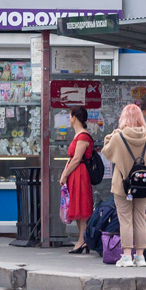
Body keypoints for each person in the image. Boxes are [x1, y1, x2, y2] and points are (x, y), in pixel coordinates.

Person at [101, 103, 146, 267]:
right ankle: (140, 257)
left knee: (125, 220)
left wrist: (111, 134)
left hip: (123, 186)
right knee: (140, 219)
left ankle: (126, 256)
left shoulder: (119, 137)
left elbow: (107, 151)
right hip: (143, 184)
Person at [58, 106, 96, 253]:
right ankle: (83, 239)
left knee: (82, 206)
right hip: (76, 173)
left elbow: (76, 159)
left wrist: (65, 174)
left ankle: (82, 239)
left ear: (74, 117)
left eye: (70, 116)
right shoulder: (79, 135)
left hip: (79, 173)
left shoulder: (83, 136)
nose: (69, 119)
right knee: (78, 206)